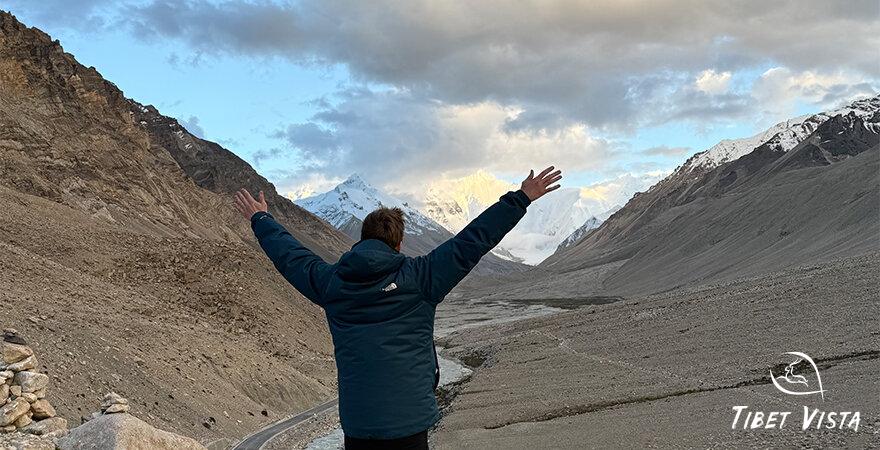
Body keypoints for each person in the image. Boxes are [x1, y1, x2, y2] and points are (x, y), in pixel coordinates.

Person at [233, 167, 562, 449]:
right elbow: (472, 241)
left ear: (360, 239)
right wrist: (521, 198)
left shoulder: (331, 283)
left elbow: (291, 257)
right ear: (399, 243)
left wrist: (261, 219)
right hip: (410, 421)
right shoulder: (421, 277)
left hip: (359, 423)